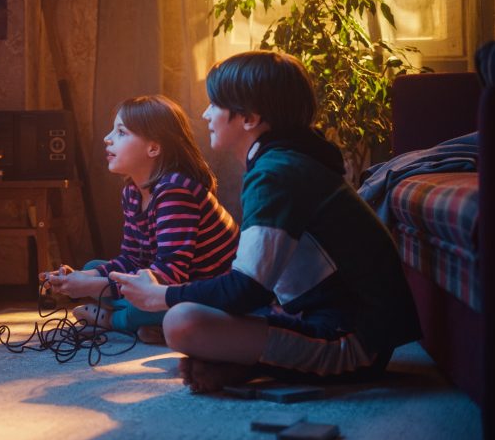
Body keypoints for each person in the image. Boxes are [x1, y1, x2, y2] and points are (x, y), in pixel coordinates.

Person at [110, 50, 422, 393]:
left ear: (249, 118)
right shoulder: (288, 161)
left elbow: (246, 289)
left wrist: (159, 295)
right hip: (327, 320)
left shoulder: (276, 172)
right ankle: (244, 361)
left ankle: (248, 362)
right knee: (193, 316)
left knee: (181, 322)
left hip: (354, 342)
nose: (205, 113)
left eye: (215, 104)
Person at [44, 95, 239, 337]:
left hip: (205, 295)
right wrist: (84, 277)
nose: (107, 138)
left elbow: (169, 276)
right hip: (169, 284)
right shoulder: (133, 194)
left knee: (145, 305)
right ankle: (148, 325)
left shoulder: (176, 191)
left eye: (121, 132)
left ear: (154, 148)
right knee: (92, 266)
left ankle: (114, 320)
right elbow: (132, 259)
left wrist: (93, 286)